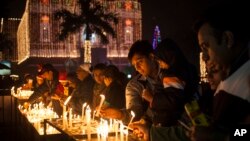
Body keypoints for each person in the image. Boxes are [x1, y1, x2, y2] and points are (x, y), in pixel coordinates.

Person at [190, 3, 250, 141]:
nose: (204, 57)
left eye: (206, 47)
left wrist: (223, 136)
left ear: (228, 39)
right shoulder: (229, 77)